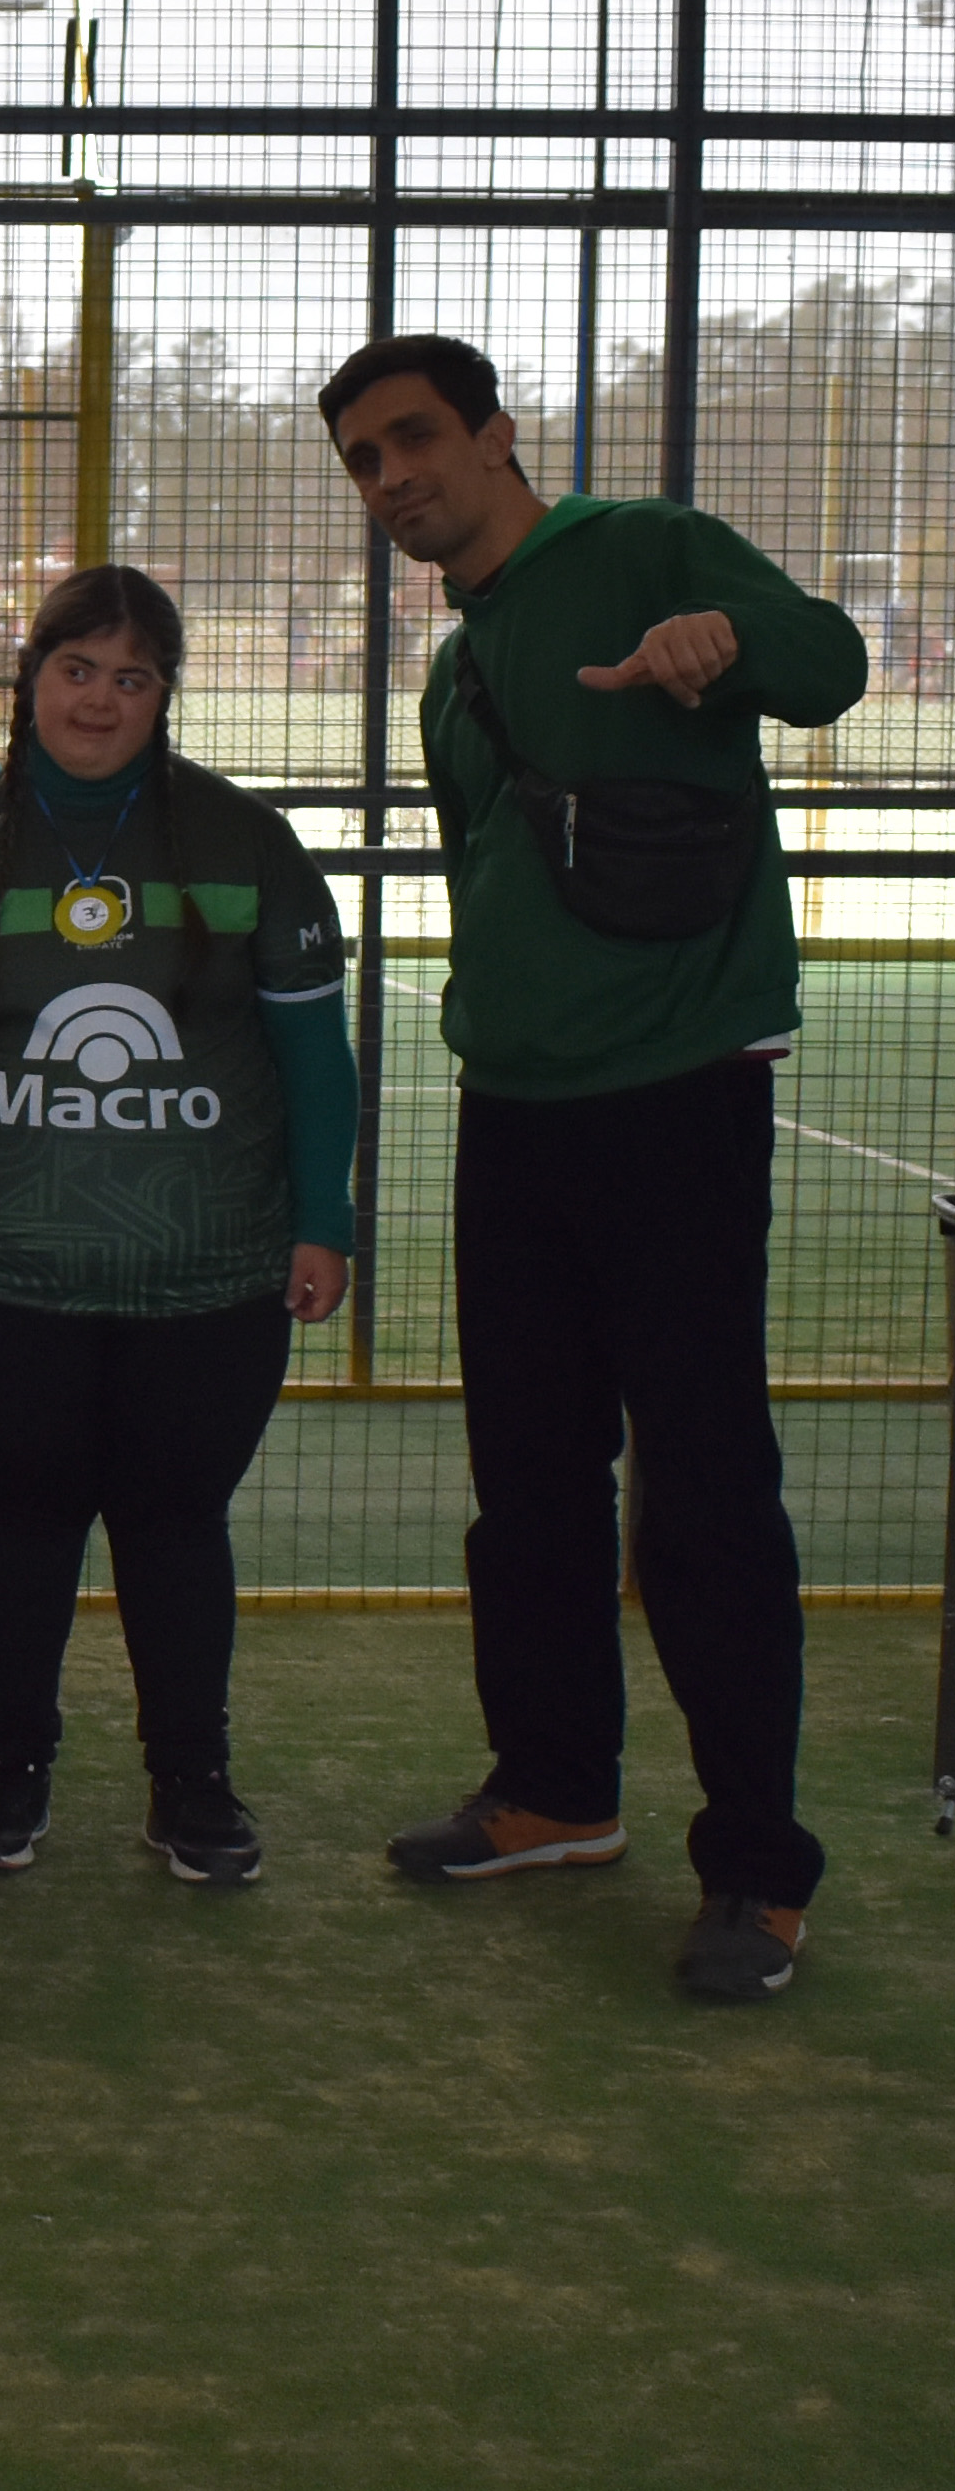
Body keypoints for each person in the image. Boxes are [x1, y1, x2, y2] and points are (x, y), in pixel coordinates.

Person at [320, 333, 870, 1999]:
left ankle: (757, 1865)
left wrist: (727, 639)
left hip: (677, 1100)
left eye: (414, 437)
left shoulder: (643, 548)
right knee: (530, 1481)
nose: (392, 477)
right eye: (362, 460)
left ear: (498, 435)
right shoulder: (453, 669)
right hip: (514, 1109)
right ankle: (554, 1789)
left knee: (702, 1491)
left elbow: (831, 664)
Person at [0, 565, 357, 1886]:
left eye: (132, 677)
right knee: (14, 1527)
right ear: (32, 680)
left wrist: (324, 1218)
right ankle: (5, 1769)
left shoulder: (246, 844)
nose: (100, 700)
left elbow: (315, 1055)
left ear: (164, 694)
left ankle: (193, 1784)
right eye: (78, 670)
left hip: (211, 1281)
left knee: (176, 1527)